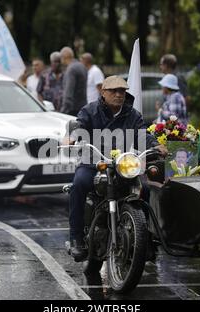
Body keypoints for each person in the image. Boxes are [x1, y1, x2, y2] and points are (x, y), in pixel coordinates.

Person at [66, 75, 168, 261]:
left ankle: (144, 240)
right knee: (79, 184)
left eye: (122, 91)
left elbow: (142, 134)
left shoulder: (132, 114)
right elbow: (79, 125)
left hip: (122, 163)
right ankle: (76, 239)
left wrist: (155, 145)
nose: (119, 94)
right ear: (103, 92)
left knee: (144, 188)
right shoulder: (90, 110)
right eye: (114, 91)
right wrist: (72, 137)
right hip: (94, 162)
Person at [59, 46, 88, 116]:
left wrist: (63, 111)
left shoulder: (71, 69)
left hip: (72, 110)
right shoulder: (82, 66)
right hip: (83, 106)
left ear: (64, 57)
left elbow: (68, 92)